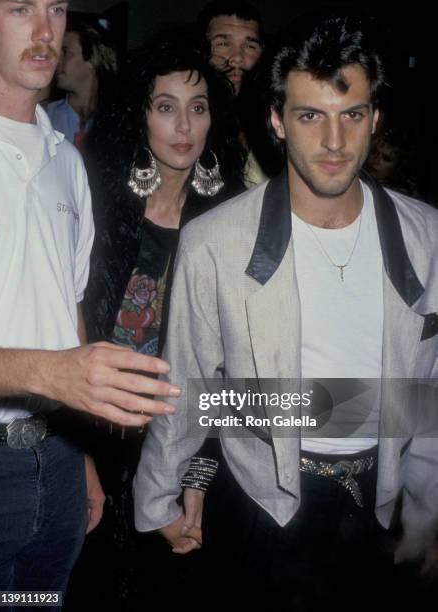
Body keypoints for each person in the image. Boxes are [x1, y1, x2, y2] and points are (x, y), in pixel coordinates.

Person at [134, 10, 438, 610]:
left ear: (375, 118)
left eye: (351, 115)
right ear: (276, 120)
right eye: (309, 116)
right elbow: (190, 390)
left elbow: (427, 398)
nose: (333, 142)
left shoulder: (427, 236)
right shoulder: (215, 241)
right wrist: (156, 500)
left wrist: (429, 516)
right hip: (261, 507)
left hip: (383, 502)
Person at [0, 0, 179, 599]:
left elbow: (66, 310)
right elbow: (60, 366)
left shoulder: (68, 162)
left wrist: (81, 456)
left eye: (56, 8)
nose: (46, 31)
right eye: (21, 8)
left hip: (57, 464)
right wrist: (53, 375)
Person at [62, 30, 244, 609]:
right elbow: (71, 332)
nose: (184, 128)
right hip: (95, 442)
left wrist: (195, 477)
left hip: (192, 444)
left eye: (198, 108)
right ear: (141, 116)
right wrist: (82, 451)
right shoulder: (97, 202)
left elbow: (233, 371)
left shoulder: (233, 220)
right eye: (166, 108)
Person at [197, 1, 272, 188]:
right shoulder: (187, 124)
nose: (237, 57)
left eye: (250, 46)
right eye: (223, 43)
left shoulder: (277, 122)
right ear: (202, 50)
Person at [46, 15, 117, 151]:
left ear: (93, 58)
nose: (56, 61)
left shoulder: (117, 119)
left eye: (66, 53)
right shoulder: (46, 117)